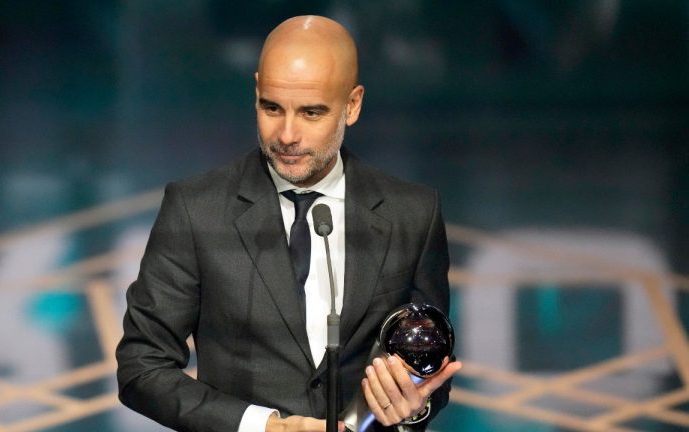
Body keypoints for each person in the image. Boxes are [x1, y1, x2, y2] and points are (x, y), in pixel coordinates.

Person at [116, 15, 462, 432]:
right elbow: (141, 367)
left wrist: (407, 407)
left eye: (311, 113)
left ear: (352, 105)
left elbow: (429, 364)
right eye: (272, 108)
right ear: (256, 92)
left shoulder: (413, 214)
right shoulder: (196, 210)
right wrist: (264, 426)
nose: (287, 135)